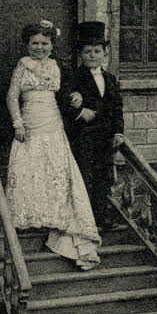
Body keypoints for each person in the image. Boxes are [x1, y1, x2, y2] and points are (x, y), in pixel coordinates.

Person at [5, 18, 101, 269]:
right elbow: (12, 97)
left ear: (52, 45)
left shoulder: (57, 67)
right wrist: (18, 123)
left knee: (56, 169)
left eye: (44, 43)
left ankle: (55, 215)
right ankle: (32, 216)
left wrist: (76, 96)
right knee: (31, 167)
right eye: (35, 43)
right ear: (27, 45)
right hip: (30, 123)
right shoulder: (22, 66)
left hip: (53, 123)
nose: (40, 48)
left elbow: (67, 92)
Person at [60, 21, 125, 230]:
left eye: (97, 51)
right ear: (80, 54)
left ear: (105, 53)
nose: (92, 55)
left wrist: (118, 132)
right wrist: (79, 112)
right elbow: (61, 101)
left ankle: (102, 216)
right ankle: (84, 219)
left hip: (105, 137)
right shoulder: (73, 77)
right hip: (83, 135)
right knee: (84, 175)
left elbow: (117, 107)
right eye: (87, 51)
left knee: (103, 176)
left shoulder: (110, 78)